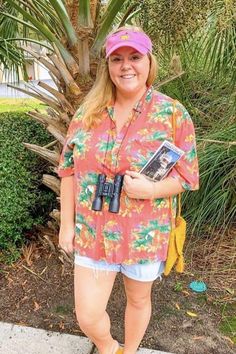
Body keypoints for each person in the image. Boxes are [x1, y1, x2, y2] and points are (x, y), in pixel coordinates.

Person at [57, 26, 199, 354]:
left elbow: (188, 177)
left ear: (149, 61)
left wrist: (151, 190)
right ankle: (108, 347)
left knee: (138, 299)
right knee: (88, 315)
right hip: (93, 231)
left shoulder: (173, 114)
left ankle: (130, 351)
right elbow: (68, 169)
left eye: (135, 57)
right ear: (107, 66)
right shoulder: (87, 113)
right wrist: (67, 225)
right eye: (117, 59)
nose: (126, 66)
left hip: (143, 233)